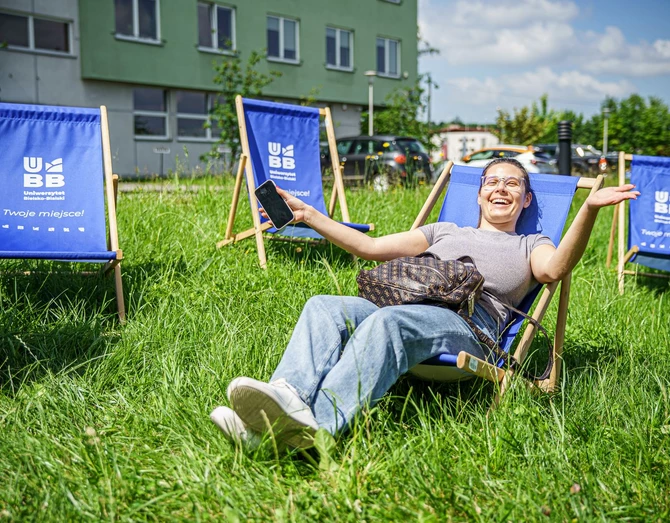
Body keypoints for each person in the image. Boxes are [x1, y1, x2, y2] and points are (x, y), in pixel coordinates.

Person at [210, 158, 639, 449]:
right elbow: (372, 246)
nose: (501, 188)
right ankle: (282, 403)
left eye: (513, 183)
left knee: (390, 323)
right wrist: (309, 216)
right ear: (479, 194)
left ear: (526, 200)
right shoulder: (443, 231)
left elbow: (557, 268)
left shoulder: (532, 243)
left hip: (470, 327)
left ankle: (316, 428)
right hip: (409, 304)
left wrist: (589, 211)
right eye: (492, 181)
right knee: (325, 305)